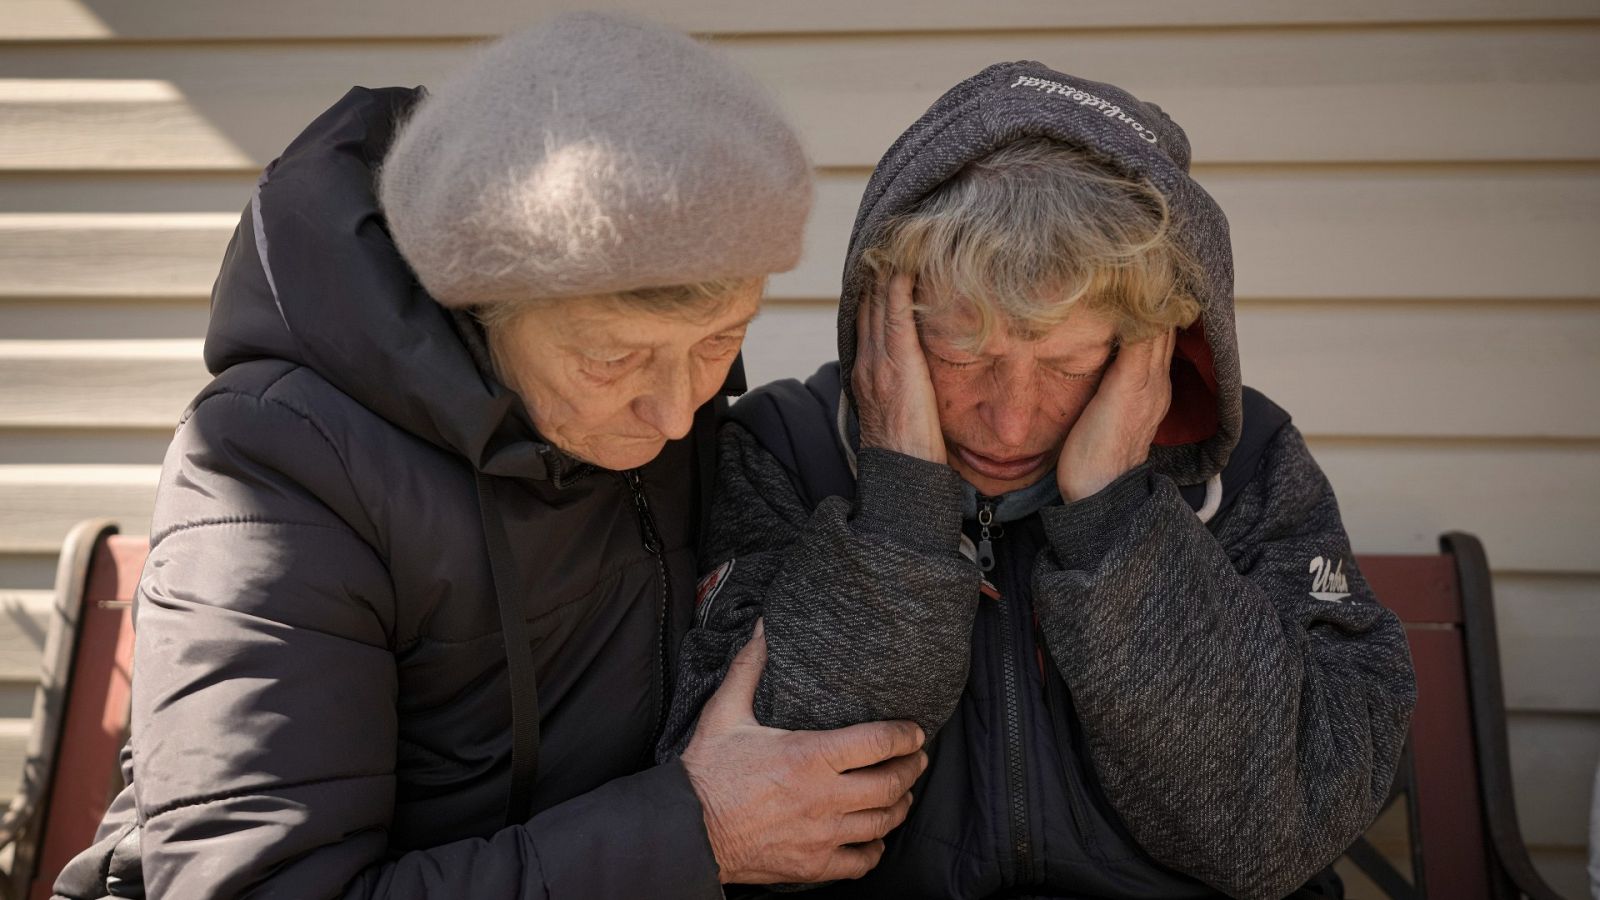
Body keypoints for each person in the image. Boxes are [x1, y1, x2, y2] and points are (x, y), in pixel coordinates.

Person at [54, 14, 929, 899]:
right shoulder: (276, 467)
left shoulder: (671, 421)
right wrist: (696, 831)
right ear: (480, 306)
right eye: (612, 358)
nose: (673, 413)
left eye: (720, 341)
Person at [661, 62, 1418, 899]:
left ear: (1153, 344)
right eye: (959, 355)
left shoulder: (1246, 467)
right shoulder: (783, 451)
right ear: (883, 320)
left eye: (1067, 363)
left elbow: (1278, 831)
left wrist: (1118, 519)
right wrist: (902, 502)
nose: (1011, 421)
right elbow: (763, 831)